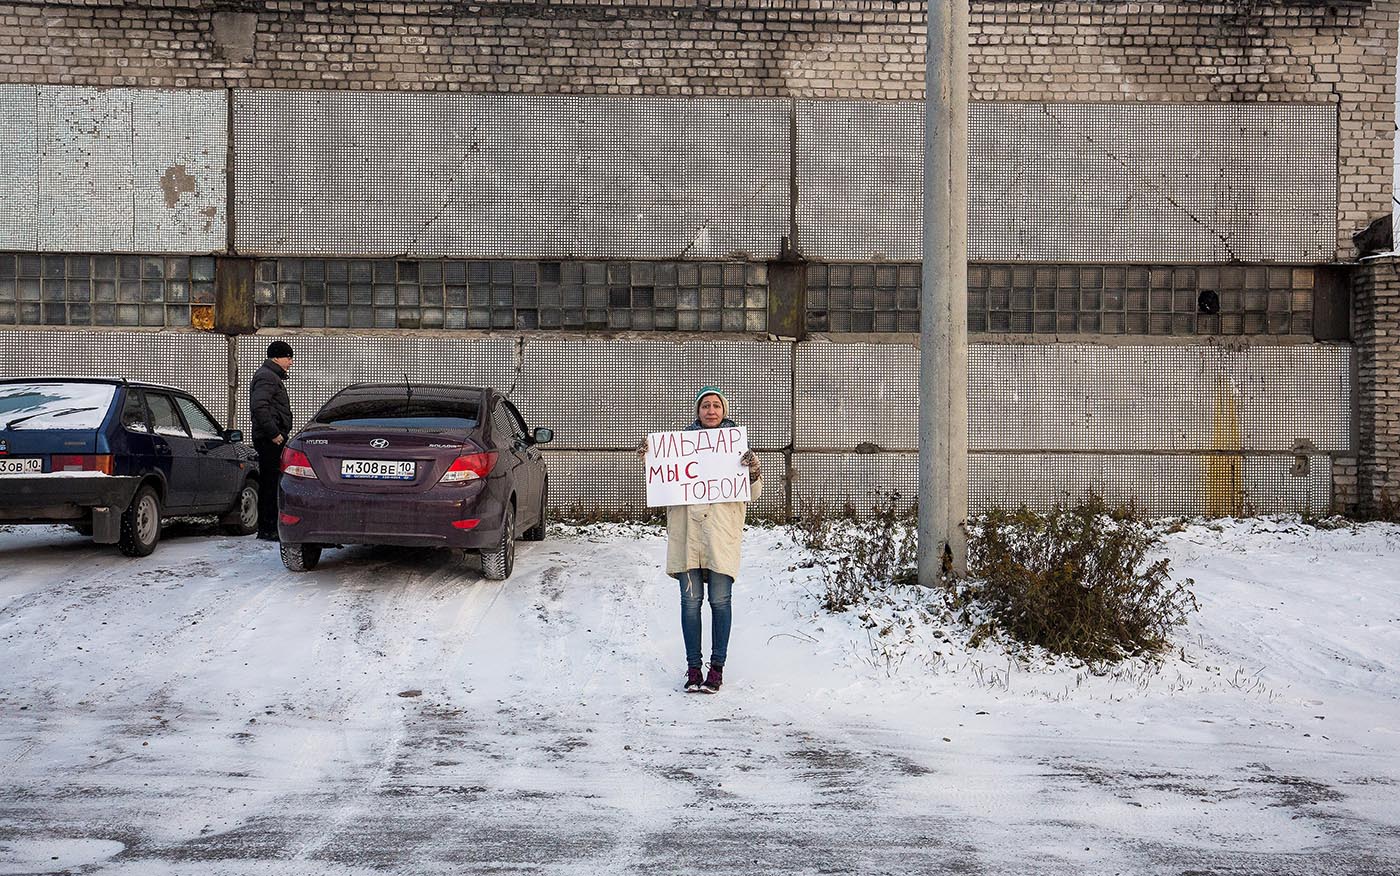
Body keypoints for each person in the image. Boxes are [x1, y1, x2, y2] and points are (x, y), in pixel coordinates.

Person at [643, 386, 762, 694]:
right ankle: (693, 668)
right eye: (705, 406)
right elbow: (664, 485)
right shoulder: (679, 448)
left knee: (720, 602)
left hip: (720, 537)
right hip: (687, 538)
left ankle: (717, 669)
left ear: (724, 411)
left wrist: (753, 471)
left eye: (716, 406)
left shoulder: (737, 449)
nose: (711, 410)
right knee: (690, 603)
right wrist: (651, 459)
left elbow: (754, 495)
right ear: (697, 411)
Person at [249, 340, 294, 541]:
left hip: (270, 438)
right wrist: (274, 433)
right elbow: (259, 407)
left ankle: (269, 527)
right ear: (276, 357)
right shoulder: (267, 377)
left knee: (271, 482)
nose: (290, 362)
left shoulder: (270, 376)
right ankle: (268, 528)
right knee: (270, 483)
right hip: (270, 440)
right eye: (288, 357)